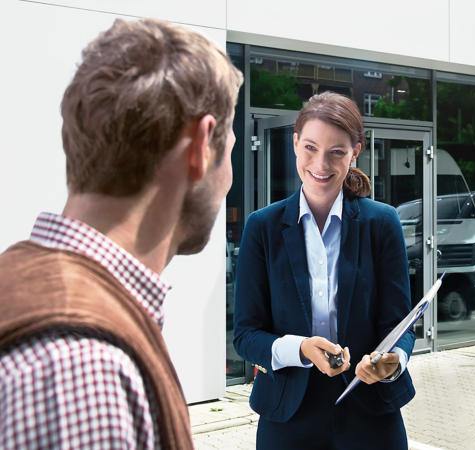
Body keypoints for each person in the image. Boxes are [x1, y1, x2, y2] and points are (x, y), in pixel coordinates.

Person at [0, 19, 242, 449]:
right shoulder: (80, 369)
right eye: (230, 150)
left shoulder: (30, 287)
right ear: (200, 147)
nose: (228, 179)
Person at [233, 91, 416, 449]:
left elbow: (398, 324)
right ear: (295, 144)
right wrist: (302, 349)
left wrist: (392, 362)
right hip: (288, 412)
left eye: (337, 152)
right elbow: (246, 336)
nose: (321, 164)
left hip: (370, 407)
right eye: (311, 148)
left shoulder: (382, 223)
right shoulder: (262, 227)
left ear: (355, 152)